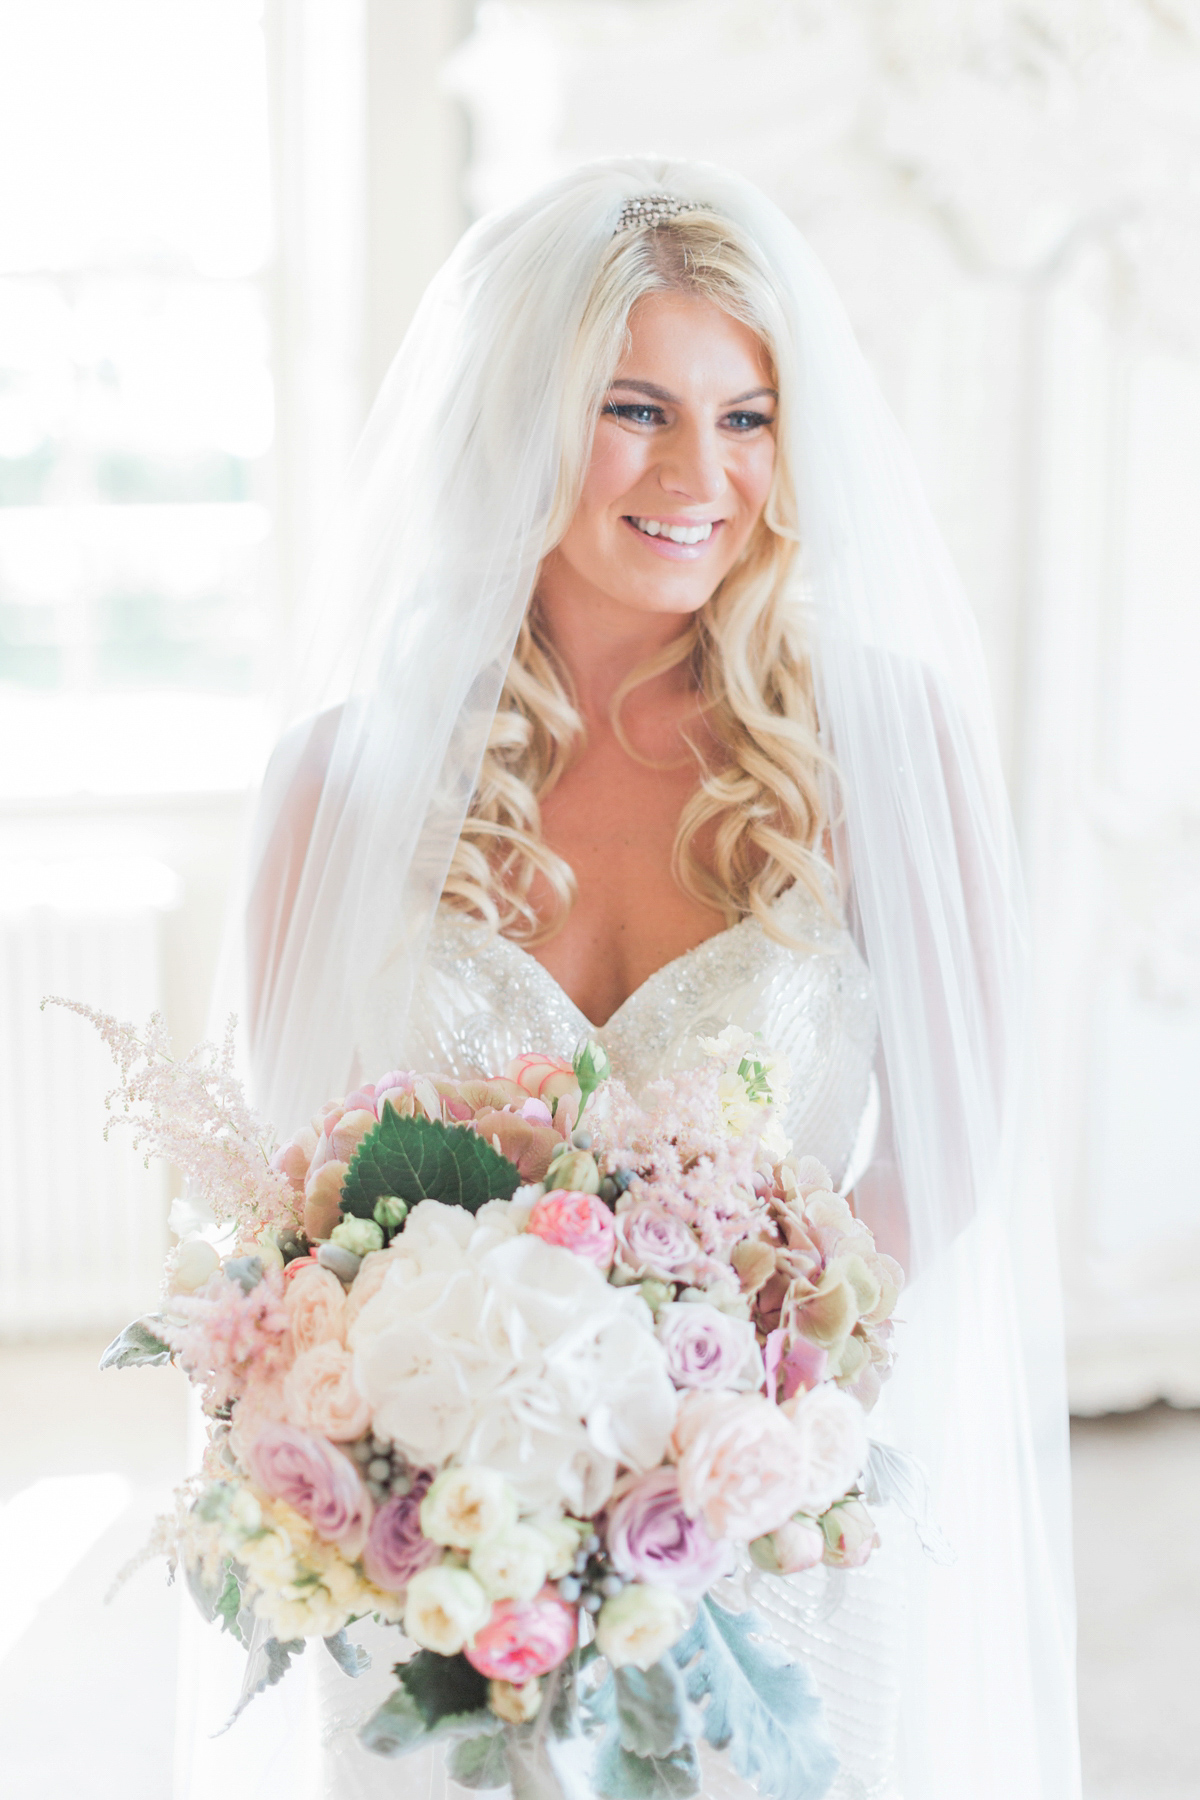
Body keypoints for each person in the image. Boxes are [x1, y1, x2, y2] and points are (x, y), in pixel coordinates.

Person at [224, 160, 1079, 1800]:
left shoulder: (876, 750)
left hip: (769, 1508)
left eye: (748, 418)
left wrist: (735, 1422)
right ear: (516, 424)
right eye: (637, 409)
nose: (704, 475)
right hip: (446, 1534)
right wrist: (433, 1463)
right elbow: (296, 1197)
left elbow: (951, 1143)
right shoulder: (343, 782)